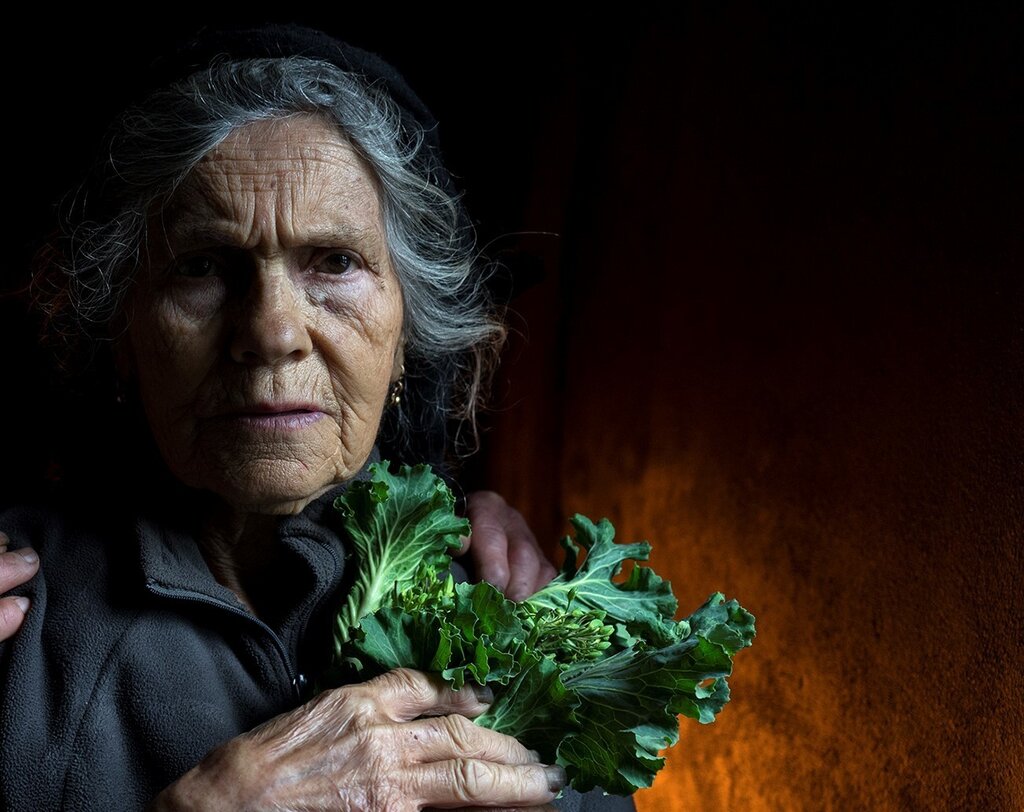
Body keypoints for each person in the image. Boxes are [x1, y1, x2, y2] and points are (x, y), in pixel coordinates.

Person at [0, 25, 635, 812]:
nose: (271, 332)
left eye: (335, 261)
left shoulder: (514, 617)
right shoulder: (13, 628)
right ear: (124, 334)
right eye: (201, 266)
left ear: (407, 338)